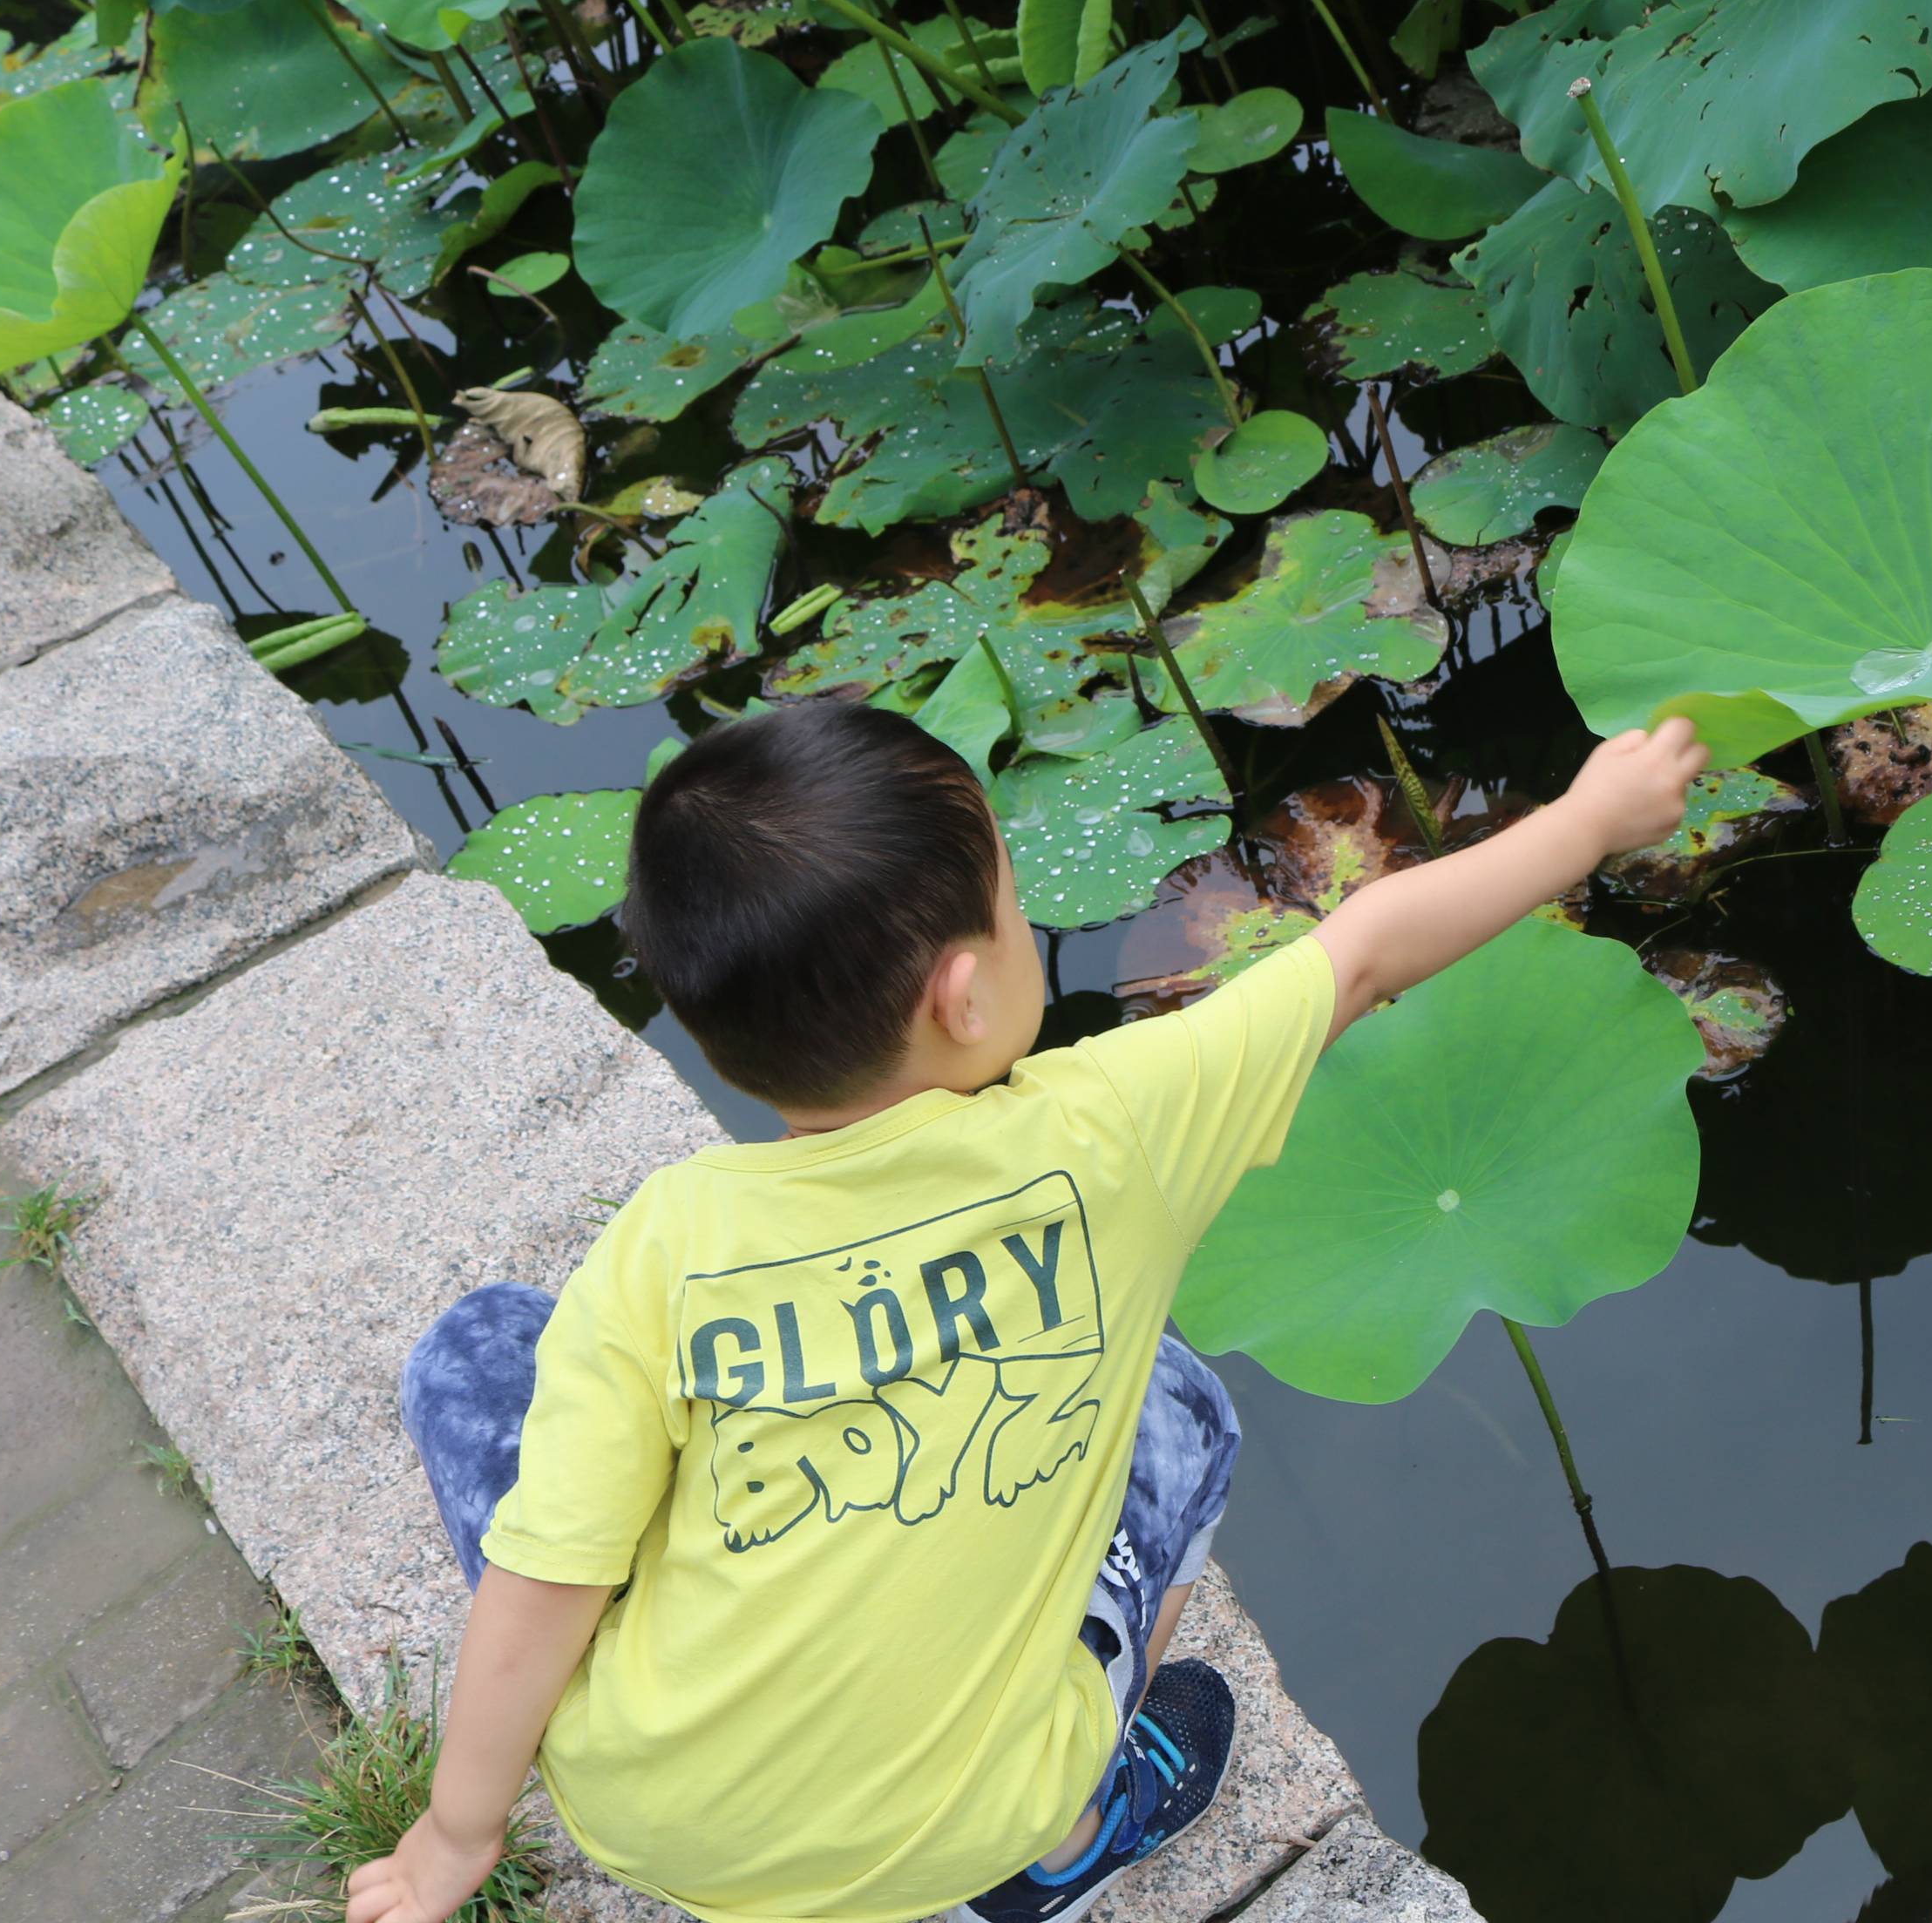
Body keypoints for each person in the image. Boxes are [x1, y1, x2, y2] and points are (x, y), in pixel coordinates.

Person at [346, 701, 1710, 1923]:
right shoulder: (1114, 1128)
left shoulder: (665, 1247)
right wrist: (1587, 820)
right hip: (961, 1828)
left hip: (667, 1822)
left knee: (485, 1349)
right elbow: (1358, 957)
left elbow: (545, 1582)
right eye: (1009, 900)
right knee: (1179, 1411)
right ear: (964, 991)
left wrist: (459, 1835)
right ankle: (1062, 1841)